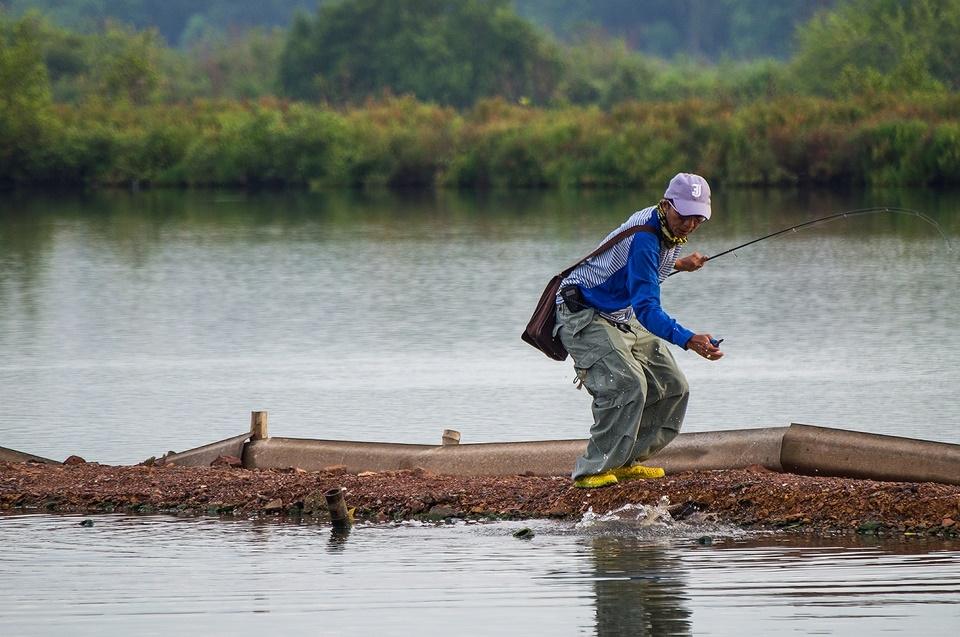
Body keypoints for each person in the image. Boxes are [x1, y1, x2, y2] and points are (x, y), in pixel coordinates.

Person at [555, 172, 722, 489]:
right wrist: (688, 339)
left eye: (698, 218)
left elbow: (640, 274)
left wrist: (679, 265)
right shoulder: (647, 236)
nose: (689, 224)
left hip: (620, 312)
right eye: (684, 215)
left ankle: (625, 460)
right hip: (583, 312)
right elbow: (647, 310)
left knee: (673, 386)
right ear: (666, 204)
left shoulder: (666, 230)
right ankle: (592, 469)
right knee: (627, 384)